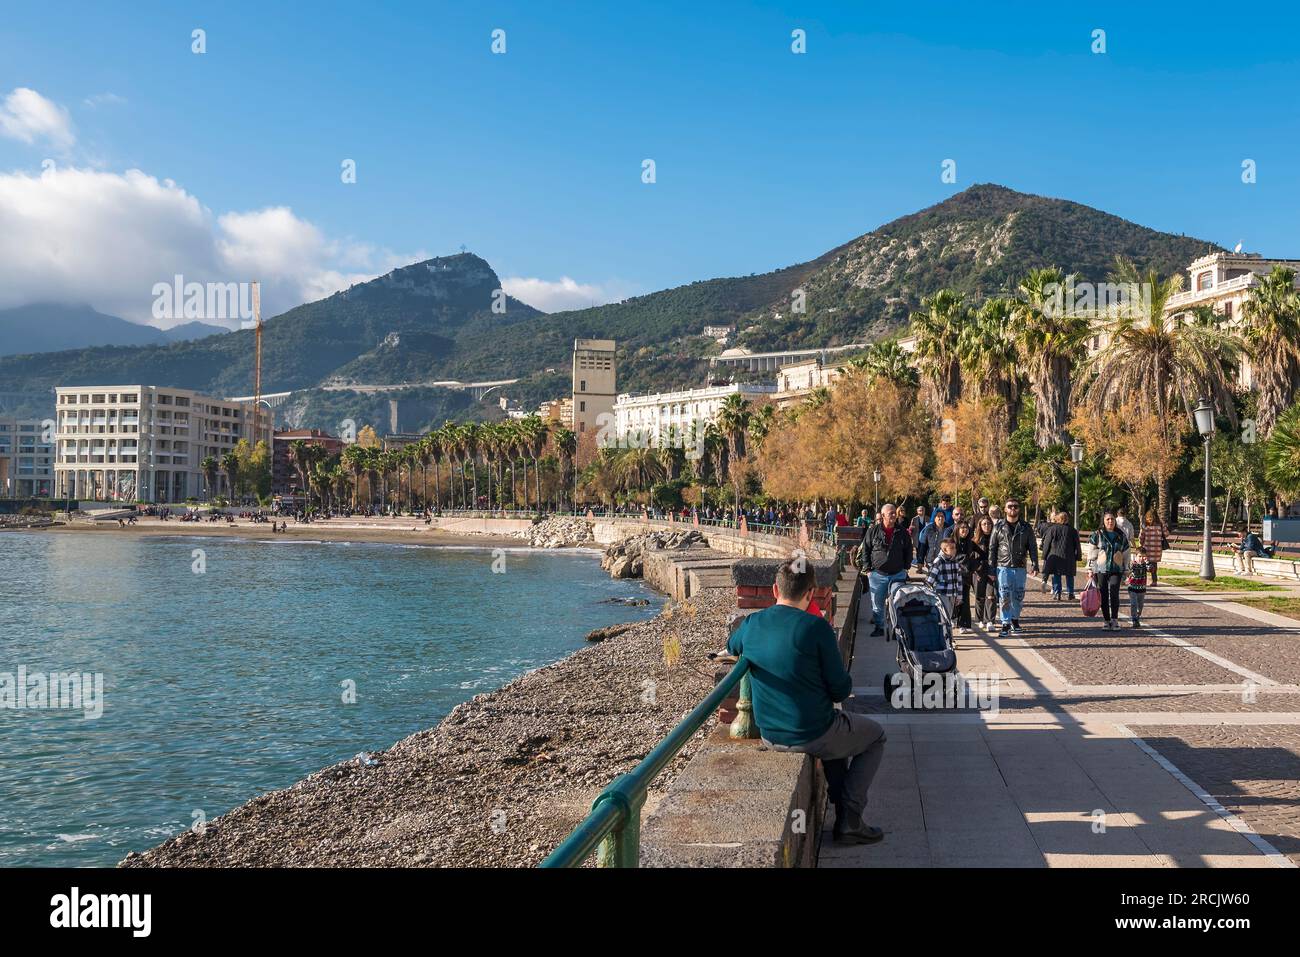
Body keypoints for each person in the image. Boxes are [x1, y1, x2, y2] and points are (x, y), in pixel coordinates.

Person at [726, 558, 886, 845]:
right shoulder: (816, 628)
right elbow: (840, 690)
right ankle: (850, 819)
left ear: (775, 590)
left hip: (770, 733)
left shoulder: (752, 624)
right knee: (875, 736)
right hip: (812, 732)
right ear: (811, 593)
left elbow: (732, 646)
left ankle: (844, 813)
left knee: (841, 736)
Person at [861, 503, 914, 637]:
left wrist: (906, 568)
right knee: (877, 604)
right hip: (877, 575)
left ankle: (897, 629)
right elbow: (865, 550)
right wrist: (868, 570)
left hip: (898, 574)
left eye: (894, 513)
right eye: (890, 513)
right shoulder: (873, 531)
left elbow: (908, 550)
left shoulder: (902, 532)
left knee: (898, 602)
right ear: (883, 515)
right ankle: (879, 627)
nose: (893, 515)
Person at [987, 499, 1039, 635]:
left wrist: (1035, 564)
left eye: (1015, 506)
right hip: (1003, 566)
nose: (1013, 509)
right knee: (1004, 596)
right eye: (1010, 506)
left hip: (1020, 566)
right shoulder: (998, 526)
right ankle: (1005, 623)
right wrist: (991, 568)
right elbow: (992, 548)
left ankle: (1015, 620)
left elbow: (1032, 547)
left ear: (1019, 509)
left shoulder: (1026, 527)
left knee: (1018, 595)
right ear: (1005, 509)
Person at [1088, 512, 1130, 631]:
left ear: (1115, 521)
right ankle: (1106, 620)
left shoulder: (1121, 535)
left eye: (1112, 519)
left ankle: (1115, 620)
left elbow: (1126, 553)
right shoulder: (1097, 535)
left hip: (1116, 569)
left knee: (1114, 592)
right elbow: (1091, 552)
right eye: (1107, 519)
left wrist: (1126, 568)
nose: (1110, 521)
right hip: (1101, 569)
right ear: (1104, 521)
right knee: (1104, 594)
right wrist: (1090, 568)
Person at [1040, 510, 1082, 601]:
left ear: (1057, 519)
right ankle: (1070, 593)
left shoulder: (1052, 529)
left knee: (1056, 574)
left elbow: (1047, 543)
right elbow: (1077, 545)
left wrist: (1044, 555)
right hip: (1069, 556)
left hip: (1055, 555)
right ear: (1067, 519)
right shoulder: (1073, 530)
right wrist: (1078, 556)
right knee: (1069, 575)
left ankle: (1057, 592)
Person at [926, 537, 966, 626]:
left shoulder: (955, 562)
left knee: (949, 615)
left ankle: (946, 634)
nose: (954, 550)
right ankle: (944, 635)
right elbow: (930, 580)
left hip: (953, 593)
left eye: (955, 548)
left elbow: (959, 580)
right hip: (941, 593)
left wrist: (959, 596)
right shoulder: (939, 562)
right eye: (951, 548)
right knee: (943, 615)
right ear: (944, 550)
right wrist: (930, 595)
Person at [968, 517, 998, 627]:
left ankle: (990, 620)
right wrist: (976, 570)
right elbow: (970, 558)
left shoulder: (996, 539)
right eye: (984, 524)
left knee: (991, 596)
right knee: (979, 596)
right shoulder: (974, 541)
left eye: (989, 524)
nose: (987, 526)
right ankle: (979, 619)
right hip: (978, 572)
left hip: (992, 570)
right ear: (980, 526)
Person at [1138, 511, 1166, 586]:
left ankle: (1144, 581)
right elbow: (1166, 534)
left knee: (1144, 564)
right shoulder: (1160, 525)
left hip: (1147, 548)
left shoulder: (1145, 526)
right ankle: (1154, 581)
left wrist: (1141, 543)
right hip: (1157, 549)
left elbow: (1141, 537)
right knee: (1154, 565)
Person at [1127, 546, 1149, 628]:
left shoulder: (1145, 565)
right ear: (1136, 556)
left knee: (1140, 606)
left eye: (1143, 556)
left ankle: (1137, 617)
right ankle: (1134, 619)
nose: (1141, 558)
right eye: (1139, 556)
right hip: (1132, 588)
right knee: (1134, 604)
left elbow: (1151, 569)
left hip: (1142, 589)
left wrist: (1147, 563)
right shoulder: (1133, 564)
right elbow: (1131, 569)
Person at [908, 506, 927, 570]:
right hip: (917, 539)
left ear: (924, 511)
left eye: (922, 510)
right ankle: (919, 568)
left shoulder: (928, 518)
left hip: (926, 539)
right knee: (919, 553)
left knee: (925, 552)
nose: (921, 512)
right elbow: (910, 529)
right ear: (917, 511)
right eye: (919, 510)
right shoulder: (914, 519)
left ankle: (924, 565)